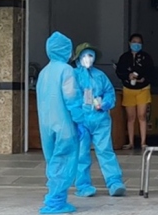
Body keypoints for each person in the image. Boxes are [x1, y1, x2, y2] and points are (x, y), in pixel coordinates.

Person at [37, 32, 87, 214]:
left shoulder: (43, 72)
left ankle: (55, 198)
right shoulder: (66, 70)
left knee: (52, 161)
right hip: (64, 123)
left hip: (46, 124)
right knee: (64, 160)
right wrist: (80, 120)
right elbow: (72, 98)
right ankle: (56, 202)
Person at [71, 43, 127, 198]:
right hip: (81, 120)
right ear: (78, 58)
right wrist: (75, 117)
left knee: (105, 150)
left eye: (91, 55)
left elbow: (109, 92)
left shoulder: (100, 75)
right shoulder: (73, 75)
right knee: (81, 154)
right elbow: (69, 98)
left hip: (100, 118)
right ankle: (83, 186)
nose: (88, 58)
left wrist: (106, 103)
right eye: (84, 55)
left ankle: (114, 182)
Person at [115, 33, 154, 150]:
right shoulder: (124, 57)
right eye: (134, 42)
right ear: (129, 43)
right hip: (128, 89)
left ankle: (143, 142)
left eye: (139, 43)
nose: (136, 44)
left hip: (143, 88)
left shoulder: (146, 57)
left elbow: (151, 72)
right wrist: (128, 76)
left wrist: (143, 79)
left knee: (142, 116)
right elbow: (119, 72)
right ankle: (130, 142)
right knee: (130, 117)